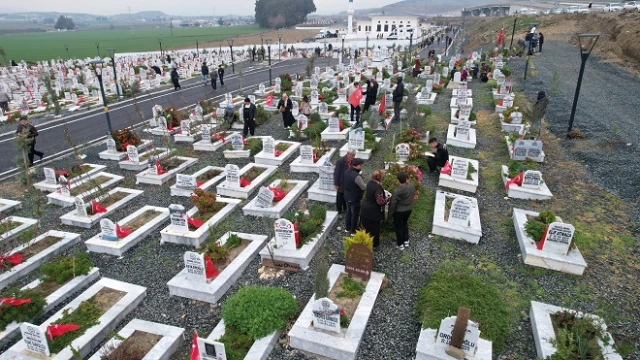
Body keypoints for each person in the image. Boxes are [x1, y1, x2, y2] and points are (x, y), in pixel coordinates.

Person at [360, 169, 389, 249]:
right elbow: (380, 202)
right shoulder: (378, 188)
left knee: (367, 228)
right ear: (380, 178)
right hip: (372, 211)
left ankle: (367, 241)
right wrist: (387, 199)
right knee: (375, 229)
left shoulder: (369, 183)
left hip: (365, 207)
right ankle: (374, 245)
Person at [388, 172, 417, 250]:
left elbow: (393, 204)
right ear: (406, 179)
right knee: (405, 224)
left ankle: (400, 244)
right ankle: (406, 240)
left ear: (398, 180)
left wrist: (390, 215)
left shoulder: (397, 191)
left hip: (399, 211)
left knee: (399, 227)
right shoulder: (411, 186)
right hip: (409, 209)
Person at [343, 158, 366, 235]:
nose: (362, 166)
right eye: (361, 165)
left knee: (348, 212)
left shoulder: (347, 171)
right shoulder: (357, 176)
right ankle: (353, 231)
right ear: (357, 165)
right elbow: (363, 187)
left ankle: (347, 228)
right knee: (355, 214)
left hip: (347, 196)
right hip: (354, 198)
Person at [334, 149, 355, 217]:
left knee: (346, 196)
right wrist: (336, 184)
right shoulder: (340, 161)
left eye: (354, 155)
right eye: (352, 155)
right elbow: (336, 173)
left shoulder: (352, 161)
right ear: (348, 154)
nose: (353, 157)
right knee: (340, 197)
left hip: (348, 183)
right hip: (341, 182)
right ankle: (339, 211)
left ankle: (345, 208)